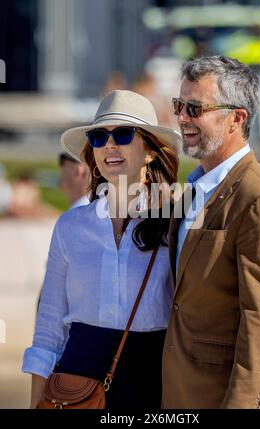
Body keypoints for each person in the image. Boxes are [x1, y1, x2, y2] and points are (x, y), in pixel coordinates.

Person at [21, 90, 180, 409]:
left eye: (123, 134)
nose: (110, 144)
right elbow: (50, 325)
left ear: (150, 151)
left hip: (152, 382)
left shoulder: (176, 223)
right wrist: (37, 401)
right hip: (75, 383)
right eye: (98, 136)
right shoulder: (70, 226)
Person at [162, 56, 260, 409]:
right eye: (179, 105)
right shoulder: (192, 189)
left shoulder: (259, 197)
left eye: (195, 108)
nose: (182, 118)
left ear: (237, 118)